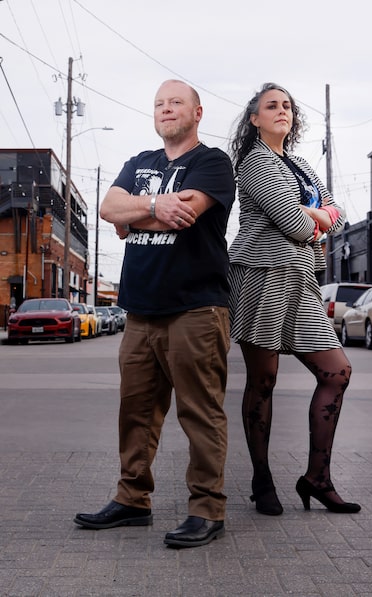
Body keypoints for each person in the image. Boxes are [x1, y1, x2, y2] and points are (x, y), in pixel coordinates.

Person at [73, 80, 236, 548]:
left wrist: (134, 215)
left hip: (196, 308)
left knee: (200, 413)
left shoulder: (213, 163)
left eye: (176, 103)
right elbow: (108, 208)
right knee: (136, 413)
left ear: (197, 112)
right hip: (140, 310)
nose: (167, 110)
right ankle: (132, 500)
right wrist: (149, 206)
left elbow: (186, 212)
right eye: (160, 104)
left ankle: (207, 509)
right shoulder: (139, 163)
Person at [228, 82, 361, 516]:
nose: (282, 111)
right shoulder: (254, 162)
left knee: (337, 371)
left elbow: (335, 213)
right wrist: (316, 216)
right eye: (272, 106)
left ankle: (317, 478)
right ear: (255, 118)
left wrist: (319, 215)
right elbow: (296, 224)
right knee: (263, 380)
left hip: (302, 280)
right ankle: (262, 477)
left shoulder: (301, 164)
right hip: (261, 279)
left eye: (287, 105)